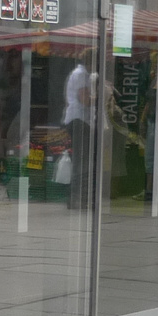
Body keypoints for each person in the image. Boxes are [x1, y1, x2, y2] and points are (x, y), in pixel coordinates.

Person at [62, 54, 93, 209]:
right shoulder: (81, 74)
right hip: (79, 120)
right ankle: (77, 197)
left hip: (77, 119)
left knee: (80, 160)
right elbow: (85, 99)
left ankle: (76, 197)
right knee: (81, 161)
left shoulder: (79, 74)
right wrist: (101, 94)